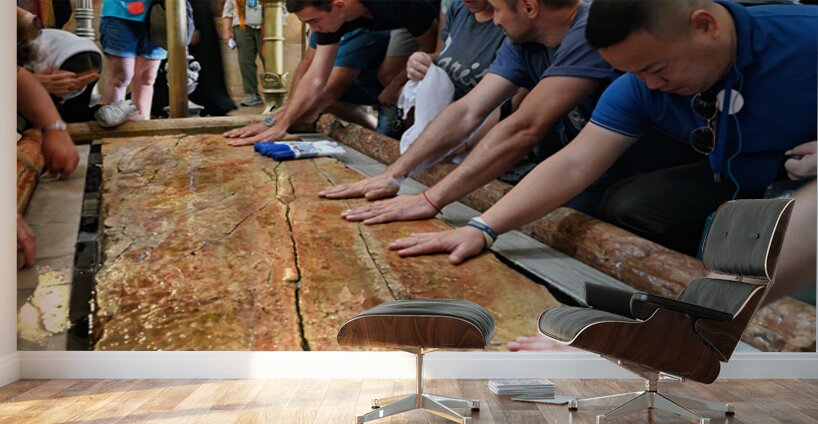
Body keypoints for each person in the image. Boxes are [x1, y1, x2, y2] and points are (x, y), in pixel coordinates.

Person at [385, 0, 816, 269]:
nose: (648, 86)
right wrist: (482, 228)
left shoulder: (802, 36)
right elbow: (575, 161)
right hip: (737, 176)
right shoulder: (637, 86)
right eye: (633, 73)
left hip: (802, 188)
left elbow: (526, 126)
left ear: (705, 26)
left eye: (657, 69)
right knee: (630, 203)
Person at [320, 0, 626, 221]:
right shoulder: (521, 40)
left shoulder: (590, 31)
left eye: (498, 9)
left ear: (530, 7)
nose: (494, 21)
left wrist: (430, 199)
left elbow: (524, 126)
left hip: (623, 170)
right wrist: (394, 174)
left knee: (570, 219)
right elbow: (468, 110)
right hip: (572, 156)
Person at [227, 0, 439, 145]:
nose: (314, 29)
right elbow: (315, 76)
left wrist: (396, 84)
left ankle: (420, 138)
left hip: (430, 19)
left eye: (313, 21)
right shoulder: (332, 21)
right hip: (389, 22)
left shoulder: (397, 4)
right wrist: (279, 124)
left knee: (394, 76)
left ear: (338, 6)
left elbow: (429, 48)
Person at [225, 28, 391, 140]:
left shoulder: (364, 31)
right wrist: (289, 107)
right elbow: (308, 65)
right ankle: (372, 126)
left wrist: (276, 123)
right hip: (360, 84)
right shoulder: (323, 25)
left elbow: (328, 92)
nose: (312, 28)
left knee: (389, 141)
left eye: (313, 20)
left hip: (391, 91)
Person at [98, 0, 167, 123]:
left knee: (147, 78)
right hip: (120, 13)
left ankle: (142, 127)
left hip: (159, 13)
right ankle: (114, 130)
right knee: (121, 77)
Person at [27, 27, 103, 123]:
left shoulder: (89, 76)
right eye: (75, 81)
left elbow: (75, 114)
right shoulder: (23, 62)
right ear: (53, 70)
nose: (80, 89)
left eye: (86, 83)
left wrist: (101, 113)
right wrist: (31, 86)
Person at [222, 0, 265, 107]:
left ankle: (274, 92)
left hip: (267, 23)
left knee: (270, 60)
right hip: (242, 24)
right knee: (245, 61)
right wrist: (226, 29)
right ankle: (252, 94)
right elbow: (229, 8)